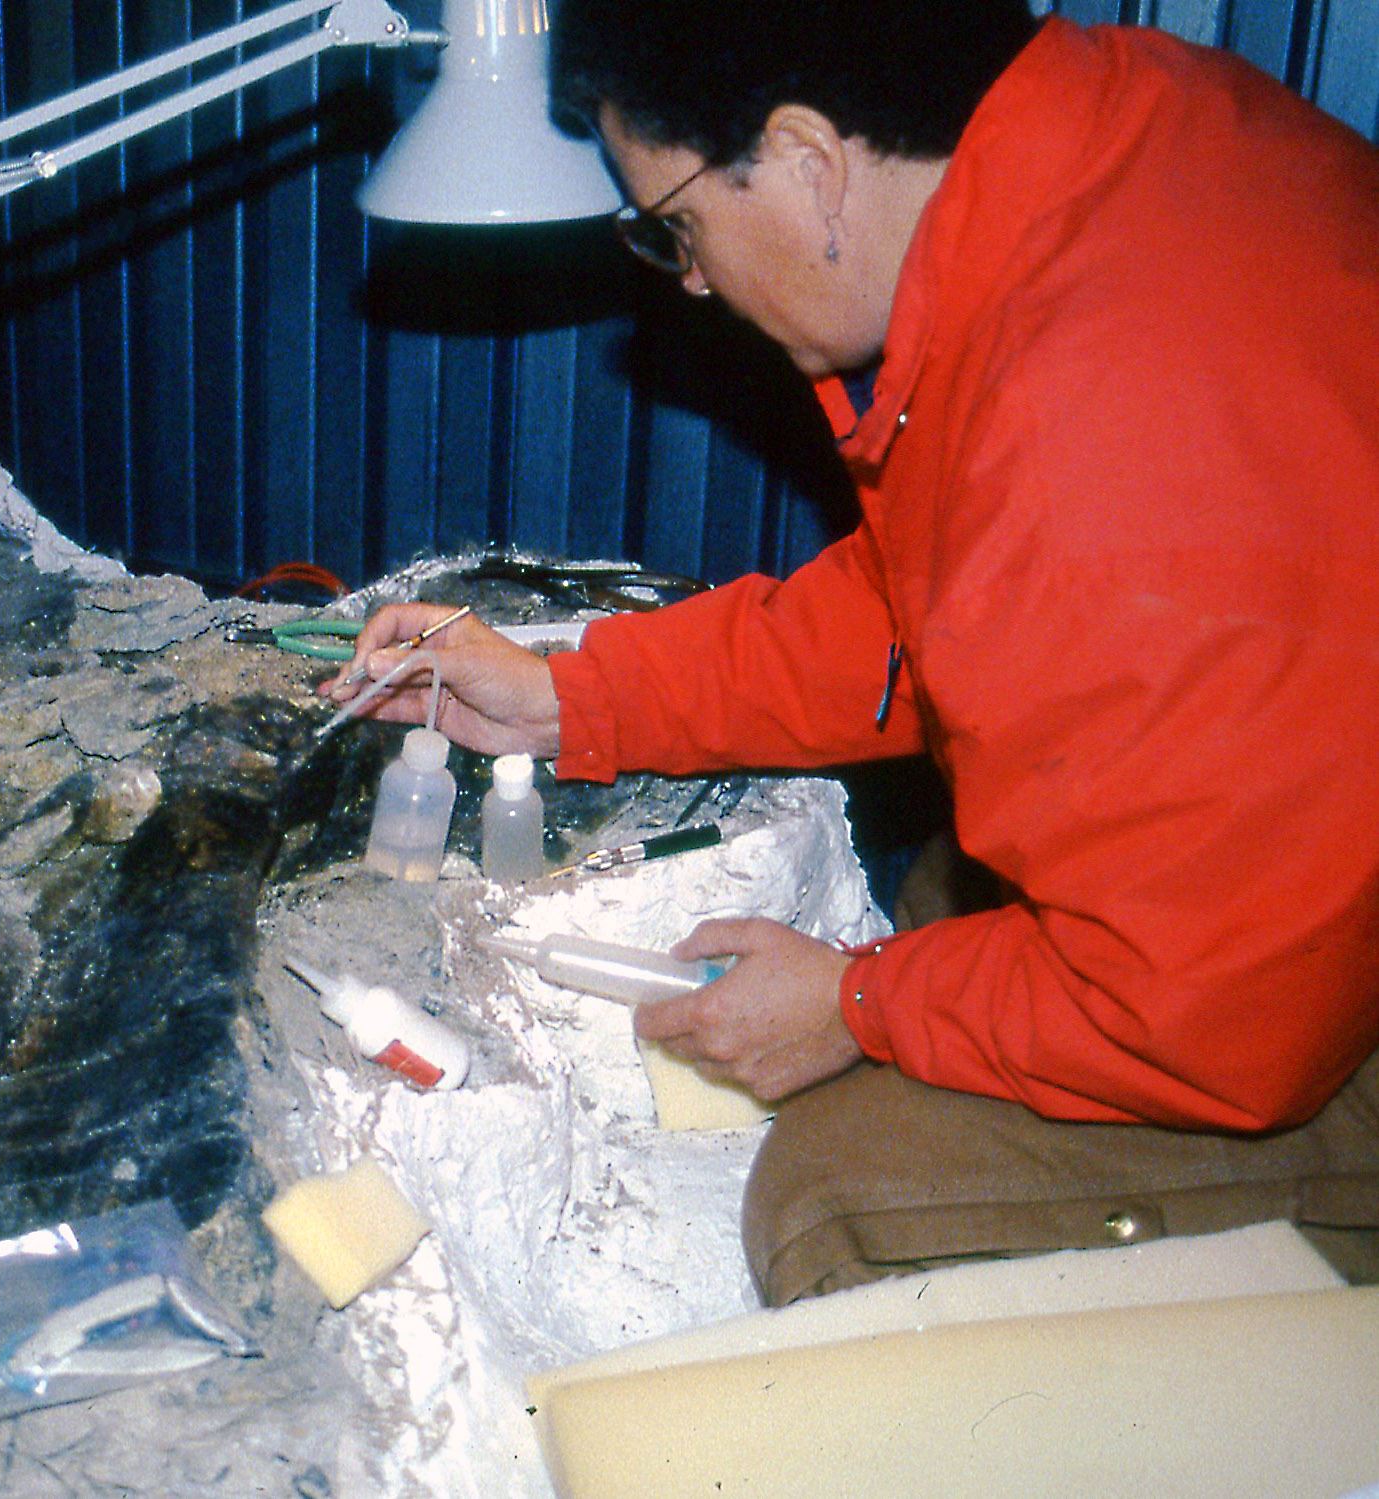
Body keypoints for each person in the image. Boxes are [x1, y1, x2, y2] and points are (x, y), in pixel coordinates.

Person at [326, 0, 1379, 1303]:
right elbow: (929, 601)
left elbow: (1215, 1028)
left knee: (843, 1191)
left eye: (679, 227)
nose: (694, 280)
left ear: (812, 160)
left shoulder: (1096, 451)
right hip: (1287, 800)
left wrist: (857, 1009)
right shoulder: (1115, 127)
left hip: (1298, 1012)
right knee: (952, 894)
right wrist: (569, 698)